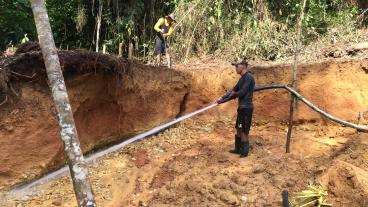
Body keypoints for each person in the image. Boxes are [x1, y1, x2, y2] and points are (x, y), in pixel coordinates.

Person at [216, 57, 255, 157]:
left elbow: (242, 92)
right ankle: (238, 149)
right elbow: (233, 90)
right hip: (241, 108)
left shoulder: (249, 78)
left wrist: (233, 95)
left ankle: (244, 152)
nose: (236, 68)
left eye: (237, 66)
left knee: (244, 131)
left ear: (243, 66)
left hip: (246, 108)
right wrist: (222, 98)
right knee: (239, 128)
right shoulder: (242, 79)